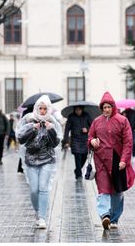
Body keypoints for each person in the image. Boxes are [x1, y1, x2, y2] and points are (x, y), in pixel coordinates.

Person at [88, 91, 135, 230]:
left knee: (116, 191)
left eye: (109, 107)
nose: (107, 110)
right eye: (104, 107)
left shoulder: (122, 121)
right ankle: (105, 215)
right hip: (101, 160)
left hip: (117, 160)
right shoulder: (96, 121)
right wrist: (92, 141)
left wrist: (124, 160)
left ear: (113, 107)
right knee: (103, 189)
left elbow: (128, 142)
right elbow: (90, 137)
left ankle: (114, 218)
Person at [16, 95, 62, 229]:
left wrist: (51, 130)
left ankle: (42, 217)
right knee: (33, 189)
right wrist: (32, 128)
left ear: (49, 109)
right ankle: (37, 211)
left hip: (47, 159)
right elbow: (21, 139)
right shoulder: (28, 119)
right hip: (31, 159)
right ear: (36, 108)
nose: (42, 111)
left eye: (45, 109)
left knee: (43, 188)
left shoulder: (52, 121)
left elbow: (55, 143)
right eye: (40, 108)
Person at [63, 106, 93, 180]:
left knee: (84, 157)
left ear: (82, 109)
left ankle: (77, 170)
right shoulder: (71, 117)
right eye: (76, 110)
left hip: (85, 140)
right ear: (74, 110)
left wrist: (87, 130)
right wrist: (66, 141)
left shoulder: (86, 115)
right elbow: (67, 129)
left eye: (79, 109)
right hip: (75, 140)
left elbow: (93, 127)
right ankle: (78, 175)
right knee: (78, 157)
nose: (78, 111)